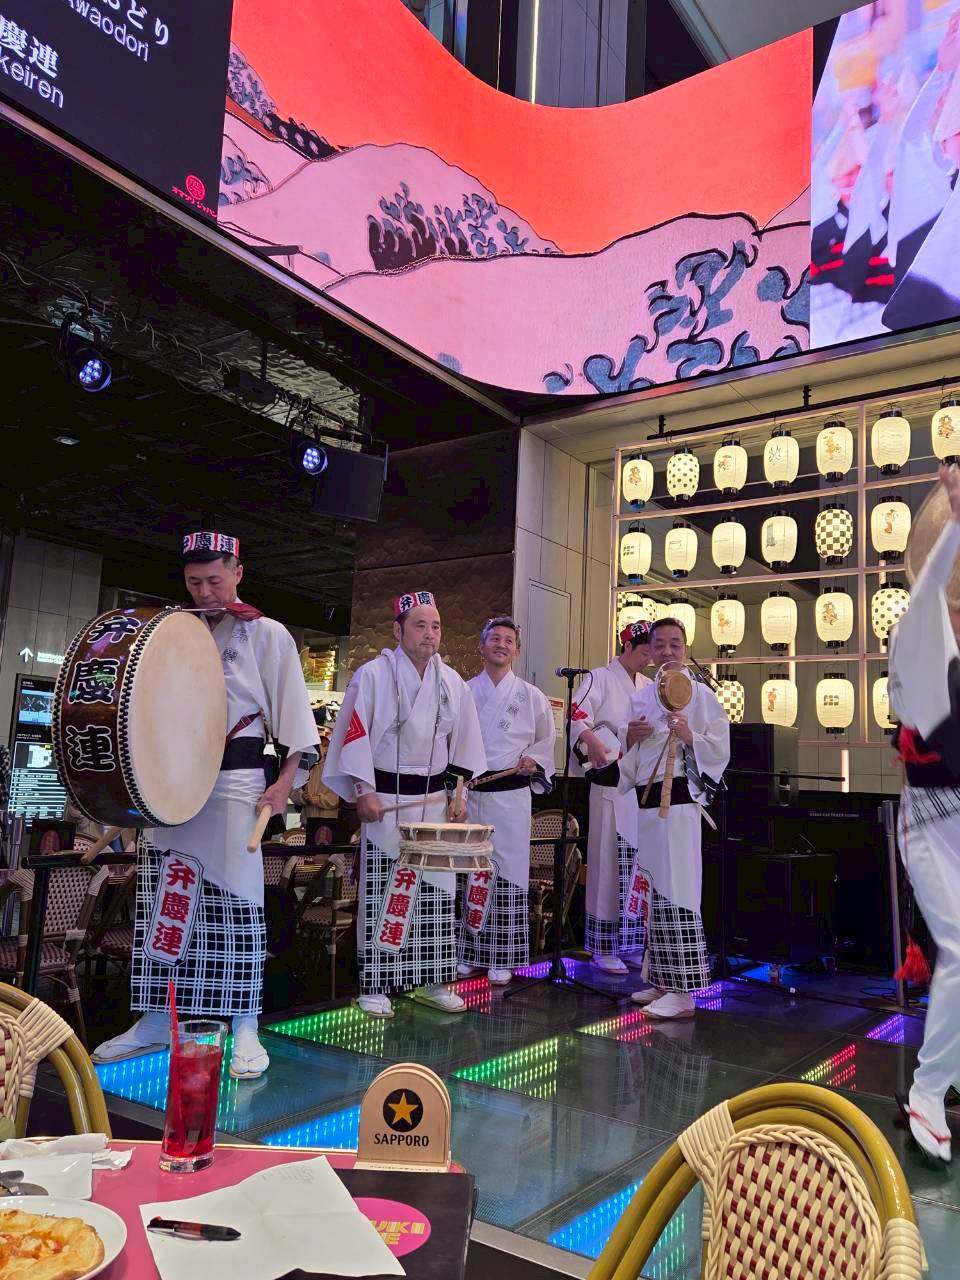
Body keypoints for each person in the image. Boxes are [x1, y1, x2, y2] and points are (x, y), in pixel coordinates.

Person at [93, 530, 319, 1079]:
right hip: (170, 781)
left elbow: (295, 723)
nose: (205, 591)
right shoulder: (174, 630)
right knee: (165, 896)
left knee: (238, 900)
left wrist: (285, 782)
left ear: (238, 572)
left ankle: (245, 1023)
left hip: (236, 779)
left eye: (215, 580)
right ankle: (155, 1018)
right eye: (194, 581)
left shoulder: (267, 633)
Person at [323, 591, 486, 1018]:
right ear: (398, 630)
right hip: (386, 799)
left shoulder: (451, 682)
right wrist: (363, 790)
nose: (430, 634)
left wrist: (459, 794)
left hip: (434, 803)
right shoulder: (372, 675)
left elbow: (464, 744)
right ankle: (375, 983)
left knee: (437, 893)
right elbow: (354, 737)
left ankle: (433, 980)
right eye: (420, 625)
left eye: (436, 626)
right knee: (385, 891)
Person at [888, 464, 960, 1161]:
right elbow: (933, 586)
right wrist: (956, 523)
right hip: (933, 817)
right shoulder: (919, 634)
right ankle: (929, 1089)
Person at [618, 617, 729, 1020]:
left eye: (675, 644)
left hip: (680, 804)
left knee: (678, 890)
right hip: (648, 802)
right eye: (659, 644)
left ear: (685, 648)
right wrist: (629, 737)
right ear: (649, 651)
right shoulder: (642, 698)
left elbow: (721, 748)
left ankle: (683, 991)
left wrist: (691, 737)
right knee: (656, 889)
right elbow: (629, 759)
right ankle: (662, 979)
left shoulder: (702, 696)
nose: (667, 650)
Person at [458, 616, 555, 985]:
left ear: (517, 650)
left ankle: (503, 955)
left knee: (507, 874)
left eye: (508, 640)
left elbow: (546, 742)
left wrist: (535, 760)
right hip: (471, 794)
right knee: (470, 871)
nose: (501, 644)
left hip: (511, 795)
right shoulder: (465, 691)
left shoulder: (532, 696)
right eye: (494, 638)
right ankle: (469, 952)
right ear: (481, 646)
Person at [568, 621, 652, 974]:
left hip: (640, 784)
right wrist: (592, 740)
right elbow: (575, 715)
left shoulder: (648, 686)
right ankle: (602, 946)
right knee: (606, 863)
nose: (649, 658)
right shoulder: (598, 678)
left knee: (637, 865)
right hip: (609, 780)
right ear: (627, 647)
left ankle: (631, 942)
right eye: (644, 651)